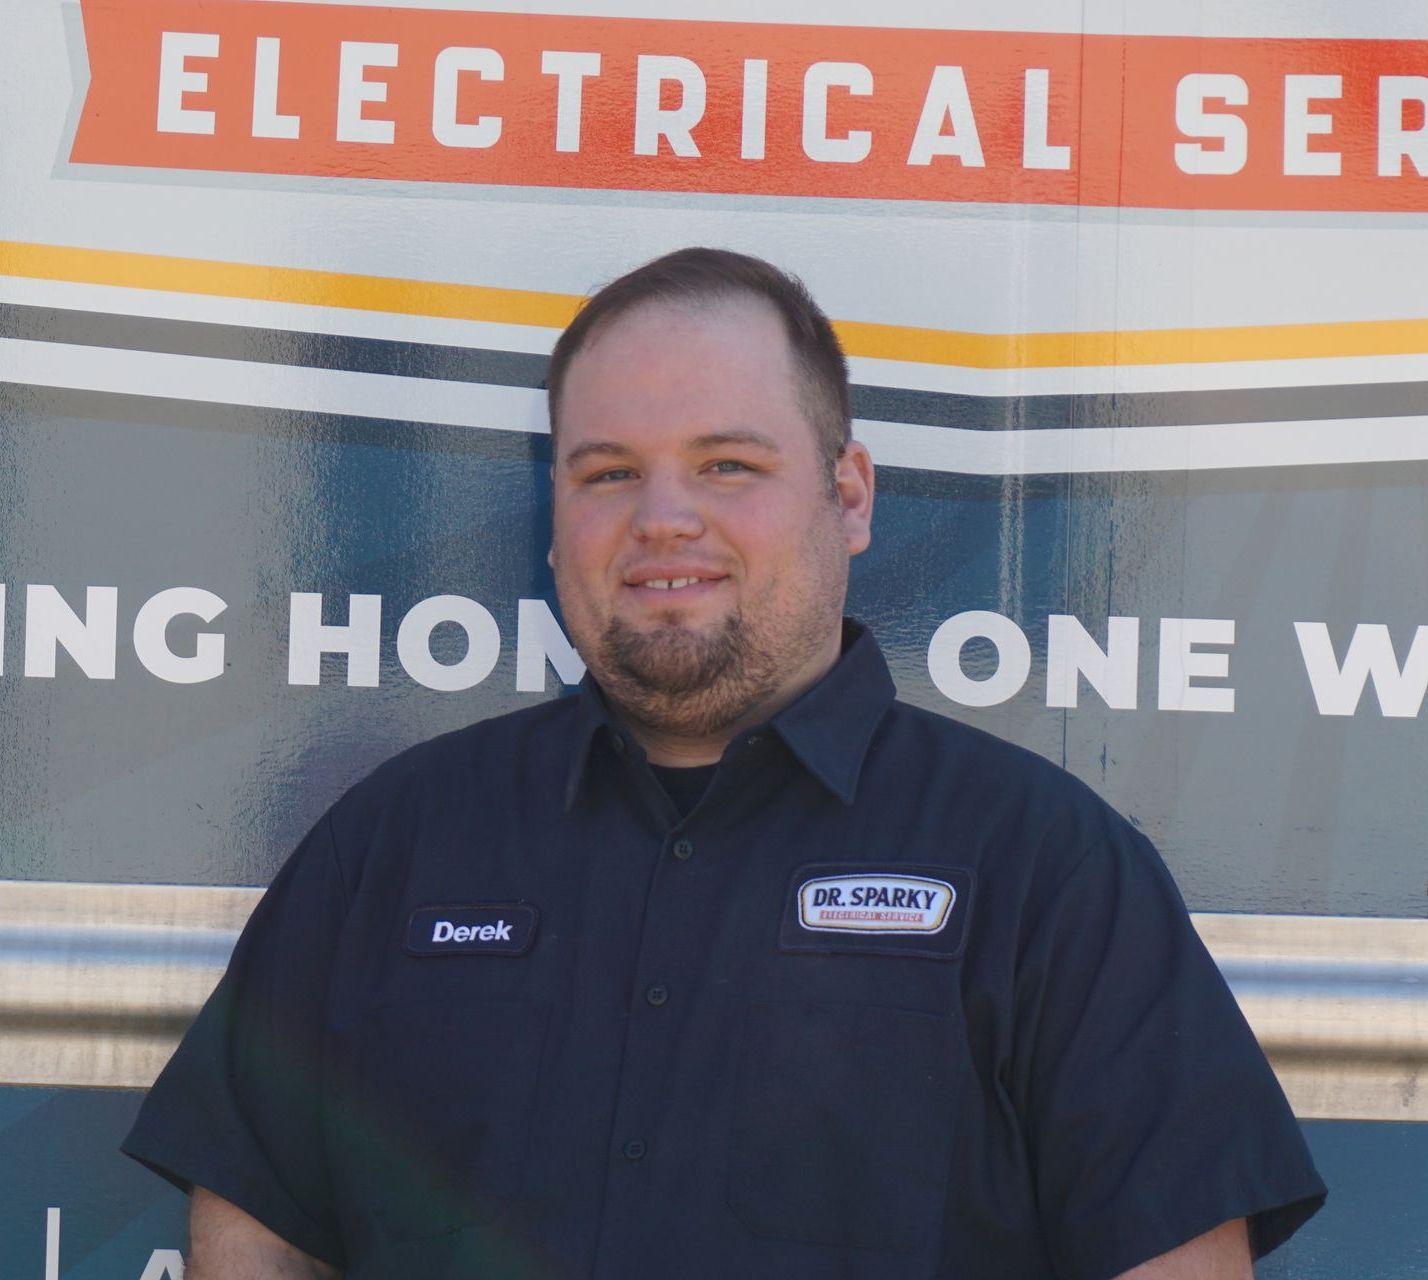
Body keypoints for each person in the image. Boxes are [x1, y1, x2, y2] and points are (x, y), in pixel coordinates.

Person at [123, 247, 1325, 1279]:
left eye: (728, 464)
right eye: (607, 472)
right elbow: (256, 1212)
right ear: (555, 515)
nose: (663, 518)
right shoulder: (395, 842)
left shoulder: (1046, 867)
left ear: (849, 495)